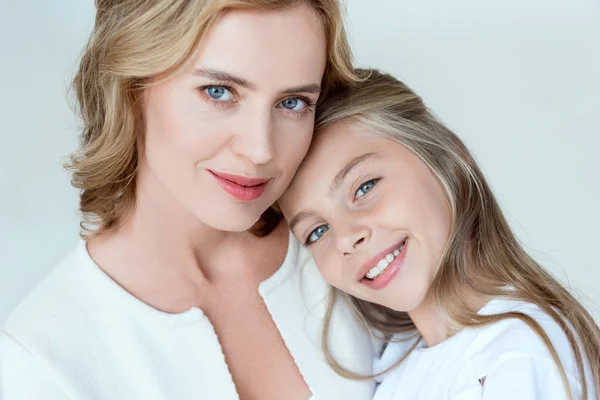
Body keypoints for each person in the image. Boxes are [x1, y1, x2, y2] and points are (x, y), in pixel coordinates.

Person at [0, 2, 380, 399]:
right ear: (132, 87)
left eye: (292, 102)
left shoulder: (353, 249)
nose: (260, 149)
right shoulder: (45, 360)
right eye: (219, 92)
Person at [279, 69, 600, 399]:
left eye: (365, 187)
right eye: (317, 231)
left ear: (446, 157)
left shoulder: (516, 359)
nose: (346, 238)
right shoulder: (393, 361)